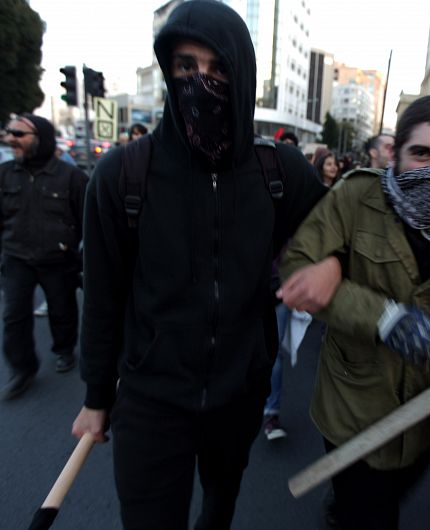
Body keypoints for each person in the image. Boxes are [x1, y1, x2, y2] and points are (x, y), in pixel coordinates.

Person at [70, 2, 330, 528]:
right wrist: (97, 396)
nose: (201, 81)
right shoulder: (123, 173)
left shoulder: (279, 169)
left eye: (218, 69)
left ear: (243, 76)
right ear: (169, 71)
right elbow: (102, 295)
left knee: (219, 507)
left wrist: (334, 262)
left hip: (239, 394)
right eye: (186, 67)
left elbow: (343, 223)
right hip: (149, 399)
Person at [279, 94, 430, 530]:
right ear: (395, 154)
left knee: (393, 493)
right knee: (368, 515)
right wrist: (384, 318)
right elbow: (297, 268)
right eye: (422, 153)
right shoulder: (356, 197)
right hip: (353, 404)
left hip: (424, 414)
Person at [0, 114, 88, 400]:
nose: (11, 138)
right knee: (14, 316)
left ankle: (64, 350)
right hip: (17, 258)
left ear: (41, 139)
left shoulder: (71, 177)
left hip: (58, 259)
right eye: (10, 132)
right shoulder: (5, 174)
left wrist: (83, 257)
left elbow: (90, 221)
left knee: (62, 310)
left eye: (19, 134)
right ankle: (22, 369)